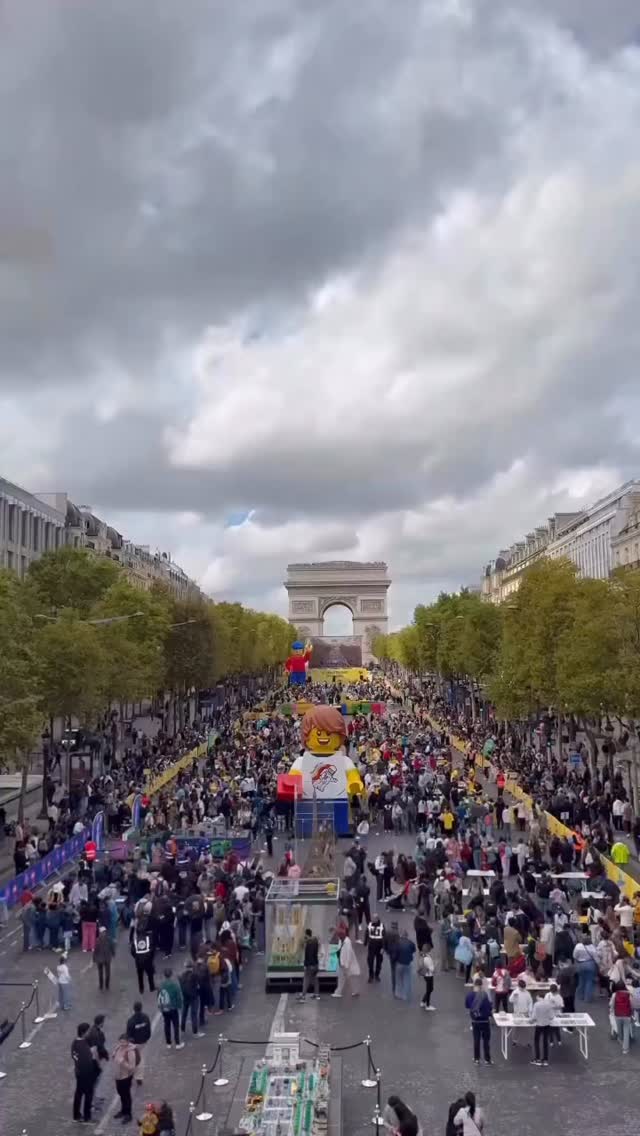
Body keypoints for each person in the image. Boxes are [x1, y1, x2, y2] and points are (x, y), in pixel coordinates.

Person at [71, 1021, 98, 1124]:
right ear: (84, 1032)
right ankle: (87, 1117)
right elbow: (88, 1060)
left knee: (78, 1094)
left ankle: (76, 1114)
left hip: (78, 1072)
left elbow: (74, 1057)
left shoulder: (75, 1043)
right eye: (87, 1031)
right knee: (88, 1094)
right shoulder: (83, 1045)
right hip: (86, 1074)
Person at [464, 978, 492, 1064]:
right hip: (485, 1021)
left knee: (476, 1040)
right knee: (486, 1041)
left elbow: (467, 1006)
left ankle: (477, 1059)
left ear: (474, 985)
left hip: (475, 1021)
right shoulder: (485, 995)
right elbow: (489, 1007)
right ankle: (487, 1059)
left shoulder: (469, 995)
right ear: (481, 986)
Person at [112, 1033, 139, 1123]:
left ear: (127, 1042)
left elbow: (132, 1067)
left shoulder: (130, 1052)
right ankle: (123, 1111)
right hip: (118, 1076)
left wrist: (122, 1062)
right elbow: (115, 1056)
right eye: (120, 1042)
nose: (122, 1044)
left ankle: (128, 1114)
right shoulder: (118, 1047)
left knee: (126, 1095)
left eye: (124, 1042)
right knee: (121, 1094)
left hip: (125, 1077)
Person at [158, 968, 184, 1049]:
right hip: (173, 1008)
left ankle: (168, 1043)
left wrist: (161, 1007)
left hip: (165, 1008)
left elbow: (158, 996)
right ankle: (177, 1043)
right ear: (171, 975)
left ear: (164, 975)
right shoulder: (174, 985)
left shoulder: (161, 985)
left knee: (167, 1025)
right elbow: (179, 997)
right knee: (176, 1025)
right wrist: (180, 1006)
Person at [126, 1000, 151, 1085]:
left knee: (133, 1059)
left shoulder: (131, 1021)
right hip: (143, 1042)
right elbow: (149, 1030)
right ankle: (139, 1077)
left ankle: (131, 1073)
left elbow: (128, 1034)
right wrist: (146, 1038)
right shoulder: (145, 1017)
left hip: (134, 1043)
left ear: (134, 1009)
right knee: (141, 1059)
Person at [331, 927, 360, 997]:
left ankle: (339, 992)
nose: (338, 937)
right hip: (342, 963)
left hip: (345, 964)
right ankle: (352, 991)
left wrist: (345, 965)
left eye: (339, 936)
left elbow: (348, 954)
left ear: (342, 935)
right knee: (345, 978)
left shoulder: (347, 942)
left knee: (345, 978)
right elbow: (339, 950)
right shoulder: (342, 941)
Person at [530, 990, 555, 1066]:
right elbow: (551, 1016)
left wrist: (530, 1020)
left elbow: (534, 1017)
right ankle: (545, 1060)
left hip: (539, 1025)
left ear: (538, 997)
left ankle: (537, 1058)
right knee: (545, 1042)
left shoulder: (536, 1004)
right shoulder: (549, 1004)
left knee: (536, 1041)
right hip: (547, 1025)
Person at [180, 960, 204, 1038]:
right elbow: (199, 984)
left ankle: (182, 1029)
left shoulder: (181, 976)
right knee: (193, 1014)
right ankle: (195, 1032)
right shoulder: (194, 975)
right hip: (194, 997)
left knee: (184, 1013)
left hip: (185, 996)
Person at [610, 982, 633, 1055]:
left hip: (618, 1015)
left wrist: (612, 1011)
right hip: (627, 1015)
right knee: (626, 1031)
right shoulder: (629, 994)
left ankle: (621, 1040)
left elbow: (611, 1005)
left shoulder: (614, 994)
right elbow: (631, 1005)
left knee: (619, 1029)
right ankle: (625, 1049)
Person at [298, 928, 321, 1001]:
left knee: (306, 980)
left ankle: (303, 996)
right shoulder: (315, 941)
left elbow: (309, 955)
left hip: (310, 965)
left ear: (306, 935)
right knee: (315, 979)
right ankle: (317, 995)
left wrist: (308, 965)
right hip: (316, 964)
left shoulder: (309, 943)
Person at [395, 930, 416, 1002]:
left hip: (399, 963)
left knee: (399, 979)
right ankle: (405, 995)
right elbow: (414, 950)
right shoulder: (411, 943)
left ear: (401, 935)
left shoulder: (397, 943)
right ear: (407, 936)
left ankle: (398, 994)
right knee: (407, 979)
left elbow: (395, 953)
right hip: (408, 963)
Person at [94, 925, 115, 992]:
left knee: (100, 973)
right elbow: (112, 947)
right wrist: (113, 953)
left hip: (99, 959)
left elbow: (96, 950)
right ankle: (107, 985)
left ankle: (101, 986)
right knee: (107, 972)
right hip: (107, 958)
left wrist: (94, 958)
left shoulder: (97, 940)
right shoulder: (109, 939)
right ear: (105, 932)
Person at [365, 914, 385, 983]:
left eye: (374, 919)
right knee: (370, 961)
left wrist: (383, 948)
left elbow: (384, 937)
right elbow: (367, 933)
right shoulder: (370, 924)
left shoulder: (382, 926)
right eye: (372, 918)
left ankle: (377, 975)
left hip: (379, 947)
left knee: (379, 962)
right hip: (371, 946)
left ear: (377, 919)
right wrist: (365, 942)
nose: (372, 920)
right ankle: (371, 975)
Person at [418, 945, 435, 1010]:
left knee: (430, 989)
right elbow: (432, 969)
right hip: (429, 975)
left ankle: (423, 1001)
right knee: (429, 989)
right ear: (429, 950)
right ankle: (428, 1005)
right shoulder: (427, 958)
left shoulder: (424, 956)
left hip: (425, 975)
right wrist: (435, 965)